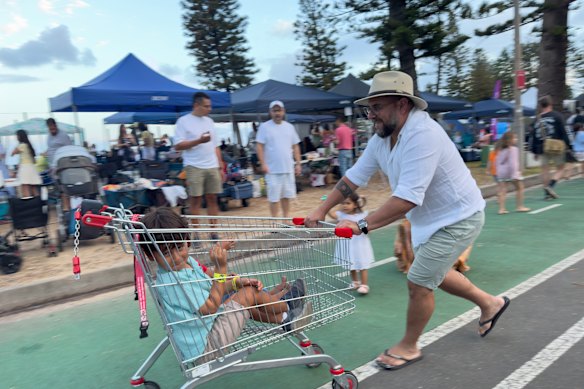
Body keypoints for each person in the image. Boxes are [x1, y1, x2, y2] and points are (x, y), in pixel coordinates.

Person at [305, 71, 509, 370]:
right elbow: (354, 177)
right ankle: (491, 304)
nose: (370, 115)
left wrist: (362, 225)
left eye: (377, 107)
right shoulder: (382, 138)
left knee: (418, 282)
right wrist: (321, 209)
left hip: (458, 217)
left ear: (402, 104)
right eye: (369, 108)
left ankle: (409, 346)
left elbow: (407, 198)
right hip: (429, 219)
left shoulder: (423, 135)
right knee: (432, 273)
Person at [140, 207, 313, 362]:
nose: (176, 258)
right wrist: (221, 267)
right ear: (151, 256)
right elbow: (211, 306)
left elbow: (212, 281)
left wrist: (237, 283)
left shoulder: (187, 264)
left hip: (207, 329)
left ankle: (285, 318)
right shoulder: (176, 283)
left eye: (179, 247)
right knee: (248, 294)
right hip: (208, 347)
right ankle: (288, 305)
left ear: (187, 241)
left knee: (239, 295)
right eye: (166, 253)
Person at [174, 92, 225, 238]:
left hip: (212, 165)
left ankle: (213, 232)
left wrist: (220, 166)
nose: (209, 109)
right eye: (206, 106)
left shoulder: (209, 121)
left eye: (210, 106)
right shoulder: (183, 121)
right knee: (195, 199)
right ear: (196, 105)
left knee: (213, 198)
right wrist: (198, 141)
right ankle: (196, 233)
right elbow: (178, 145)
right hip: (193, 165)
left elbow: (215, 145)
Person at [256, 100, 301, 218]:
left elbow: (295, 146)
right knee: (274, 198)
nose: (277, 113)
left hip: (287, 168)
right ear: (270, 112)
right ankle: (275, 222)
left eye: (279, 110)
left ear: (283, 111)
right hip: (272, 169)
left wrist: (298, 164)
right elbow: (259, 146)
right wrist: (263, 163)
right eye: (275, 111)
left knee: (286, 196)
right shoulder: (264, 127)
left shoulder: (289, 127)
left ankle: (285, 220)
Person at [327, 193, 374, 295]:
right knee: (350, 262)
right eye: (343, 203)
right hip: (347, 244)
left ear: (355, 205)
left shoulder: (360, 217)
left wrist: (355, 227)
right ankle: (355, 282)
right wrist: (325, 204)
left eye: (348, 203)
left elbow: (367, 231)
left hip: (360, 244)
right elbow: (331, 214)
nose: (344, 206)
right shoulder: (341, 215)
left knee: (362, 264)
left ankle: (364, 285)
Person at [531, 96, 572, 200]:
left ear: (541, 106)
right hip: (556, 146)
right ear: (551, 104)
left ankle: (546, 194)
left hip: (542, 146)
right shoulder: (557, 116)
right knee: (561, 168)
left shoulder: (537, 118)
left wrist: (535, 151)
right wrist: (569, 144)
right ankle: (550, 186)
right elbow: (565, 131)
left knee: (545, 170)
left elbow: (533, 135)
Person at [494, 131, 531, 214]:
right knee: (520, 188)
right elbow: (513, 163)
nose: (516, 139)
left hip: (501, 172)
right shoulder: (513, 149)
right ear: (510, 140)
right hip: (510, 171)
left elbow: (496, 161)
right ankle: (520, 206)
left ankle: (501, 209)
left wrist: (498, 172)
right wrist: (515, 174)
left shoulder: (500, 149)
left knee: (503, 190)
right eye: (515, 138)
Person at [12, 129, 41, 197]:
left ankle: (28, 203)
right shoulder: (29, 145)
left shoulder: (21, 145)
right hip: (31, 167)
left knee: (25, 187)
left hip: (25, 167)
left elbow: (13, 153)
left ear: (19, 136)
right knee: (33, 187)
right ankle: (38, 203)